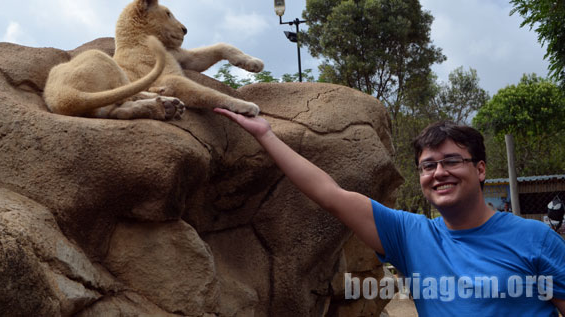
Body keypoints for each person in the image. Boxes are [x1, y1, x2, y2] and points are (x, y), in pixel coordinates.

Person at [214, 108, 565, 316]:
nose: (439, 173)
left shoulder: (535, 239)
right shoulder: (411, 235)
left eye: (452, 161)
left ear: (481, 169)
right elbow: (330, 194)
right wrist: (267, 136)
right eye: (428, 167)